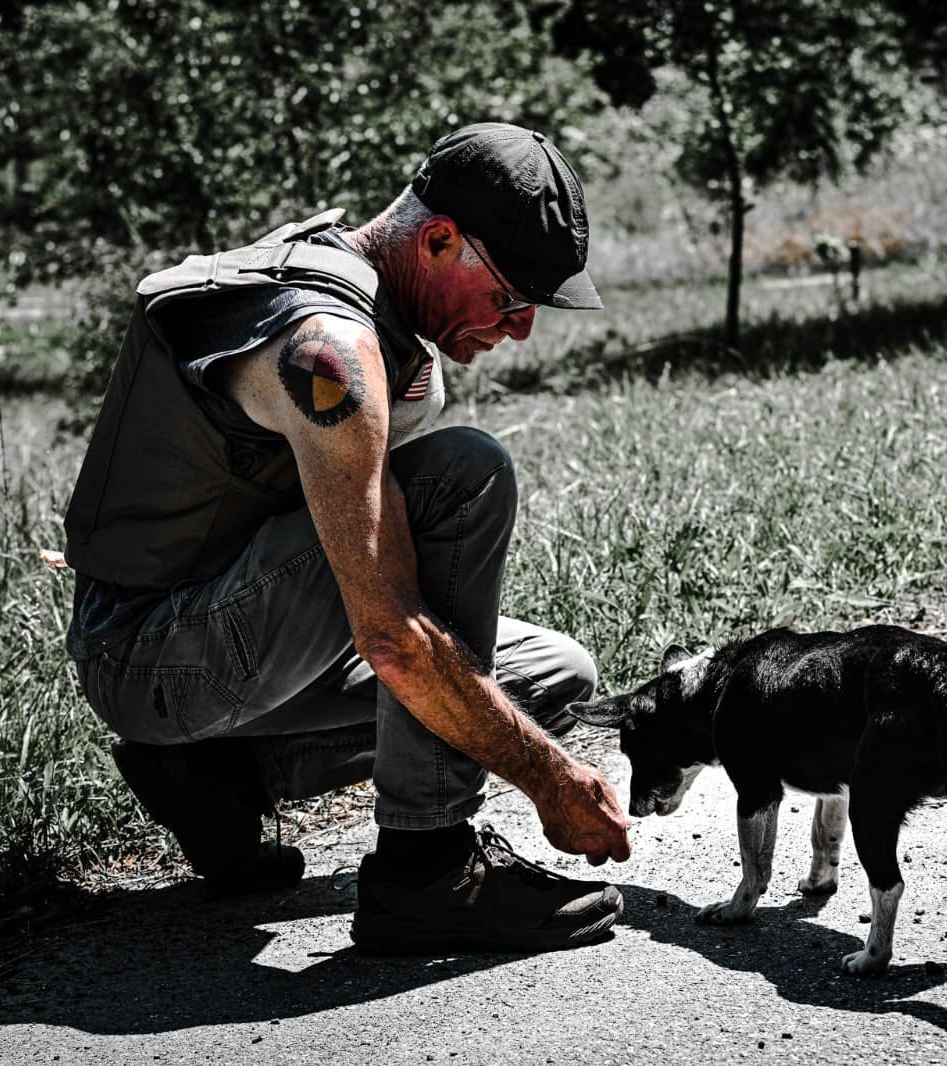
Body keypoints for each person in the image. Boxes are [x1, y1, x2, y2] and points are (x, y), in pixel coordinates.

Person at [63, 122, 632, 955]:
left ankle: (216, 776)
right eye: (511, 299)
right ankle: (425, 872)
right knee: (463, 475)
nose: (520, 331)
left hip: (227, 632)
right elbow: (393, 636)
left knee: (553, 676)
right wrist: (549, 780)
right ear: (438, 240)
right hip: (147, 655)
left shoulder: (391, 332)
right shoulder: (327, 345)